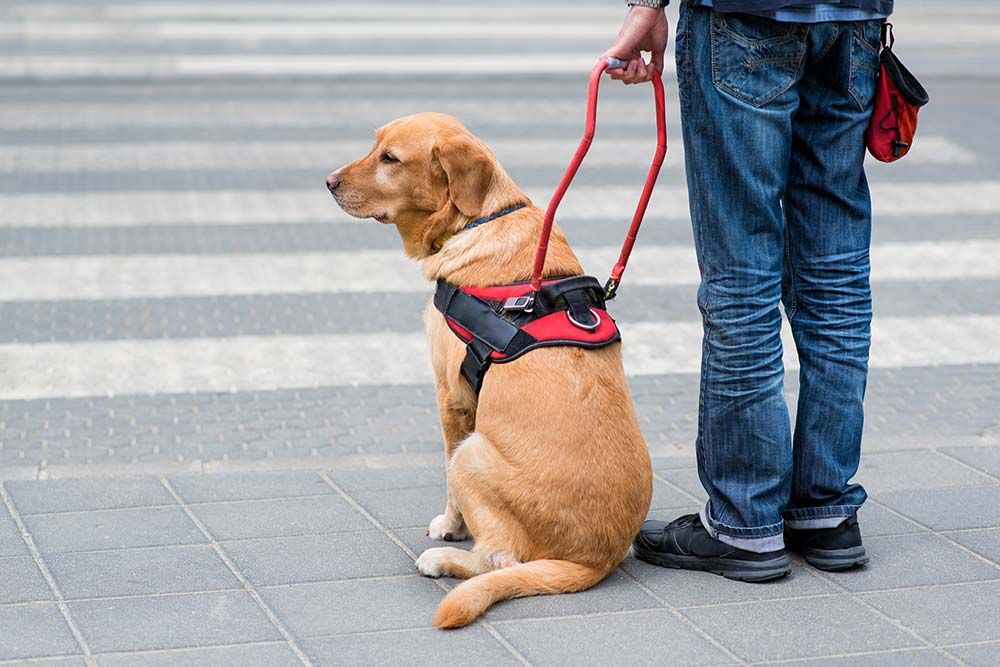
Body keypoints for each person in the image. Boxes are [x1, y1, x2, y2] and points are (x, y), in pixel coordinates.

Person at [603, 0, 890, 581]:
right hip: (854, 20)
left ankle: (746, 520)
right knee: (834, 271)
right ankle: (825, 510)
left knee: (742, 271)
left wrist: (645, 5)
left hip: (746, 17)